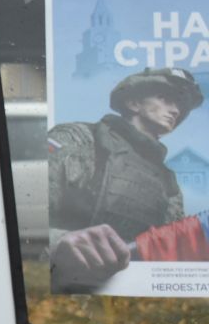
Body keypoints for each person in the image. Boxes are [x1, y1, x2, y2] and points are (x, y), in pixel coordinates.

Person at [48, 67, 202, 287]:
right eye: (165, 98)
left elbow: (168, 253)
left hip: (129, 297)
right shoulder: (79, 139)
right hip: (62, 289)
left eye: (180, 105)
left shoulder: (168, 181)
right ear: (133, 103)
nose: (176, 110)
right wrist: (58, 243)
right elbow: (23, 219)